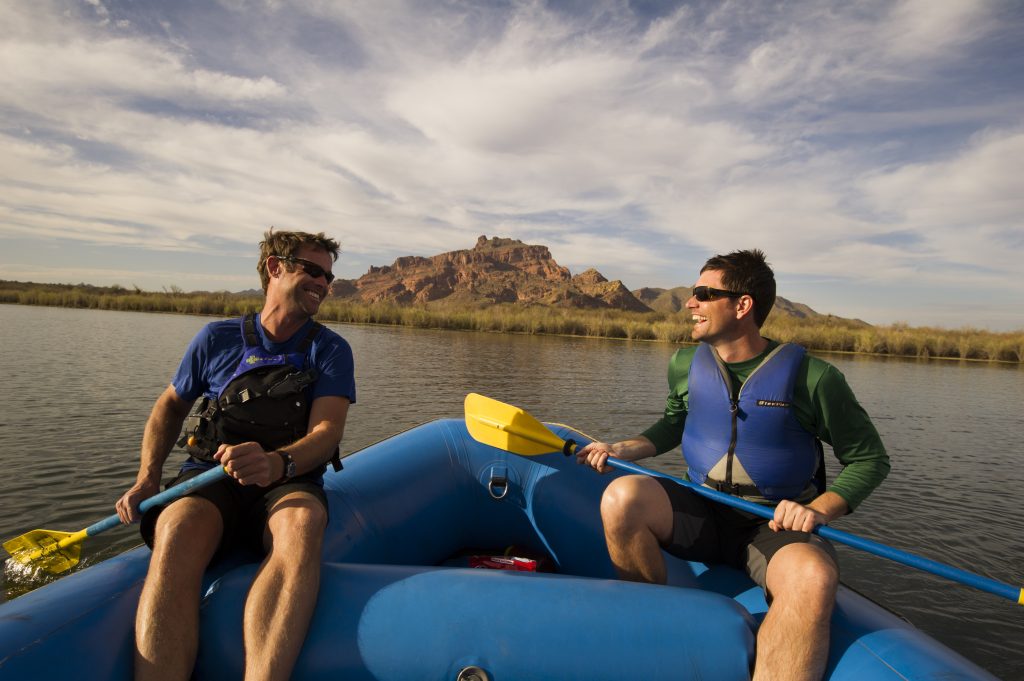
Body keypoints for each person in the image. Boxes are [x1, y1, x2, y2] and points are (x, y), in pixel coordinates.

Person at [576, 249, 888, 681]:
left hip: (770, 525)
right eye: (692, 292)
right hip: (700, 510)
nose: (690, 302)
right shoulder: (684, 365)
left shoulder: (815, 379)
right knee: (620, 497)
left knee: (813, 578)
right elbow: (675, 423)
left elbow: (869, 458)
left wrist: (818, 510)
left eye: (704, 293)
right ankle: (657, 632)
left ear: (743, 305)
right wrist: (625, 448)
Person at [115, 229, 356, 681]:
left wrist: (276, 463)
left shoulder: (330, 350)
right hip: (209, 478)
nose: (324, 283)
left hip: (288, 480)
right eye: (313, 270)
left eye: (329, 276)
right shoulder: (216, 338)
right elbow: (169, 405)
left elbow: (326, 431)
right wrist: (148, 478)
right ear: (274, 267)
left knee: (302, 524)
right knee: (177, 528)